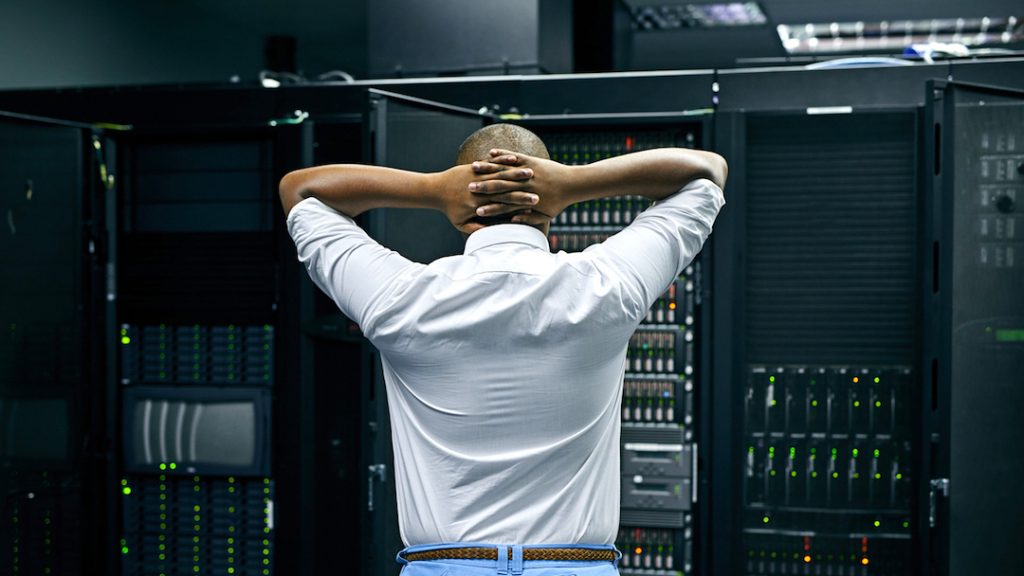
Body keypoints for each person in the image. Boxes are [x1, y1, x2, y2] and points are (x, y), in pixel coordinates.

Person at [279, 123, 727, 576]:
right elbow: (706, 173)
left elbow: (300, 192)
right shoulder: (606, 287)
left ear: (461, 205)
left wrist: (432, 188)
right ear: (547, 199)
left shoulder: (400, 297)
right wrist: (572, 182)